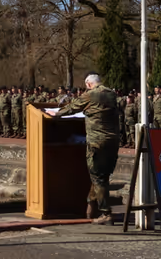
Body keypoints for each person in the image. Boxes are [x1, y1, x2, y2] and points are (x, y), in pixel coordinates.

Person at [46, 73, 119, 225]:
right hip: (112, 141)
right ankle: (90, 206)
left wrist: (57, 113)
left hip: (97, 141)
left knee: (98, 177)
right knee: (102, 175)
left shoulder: (90, 94)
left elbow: (73, 107)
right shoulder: (111, 94)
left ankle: (106, 213)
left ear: (88, 84)